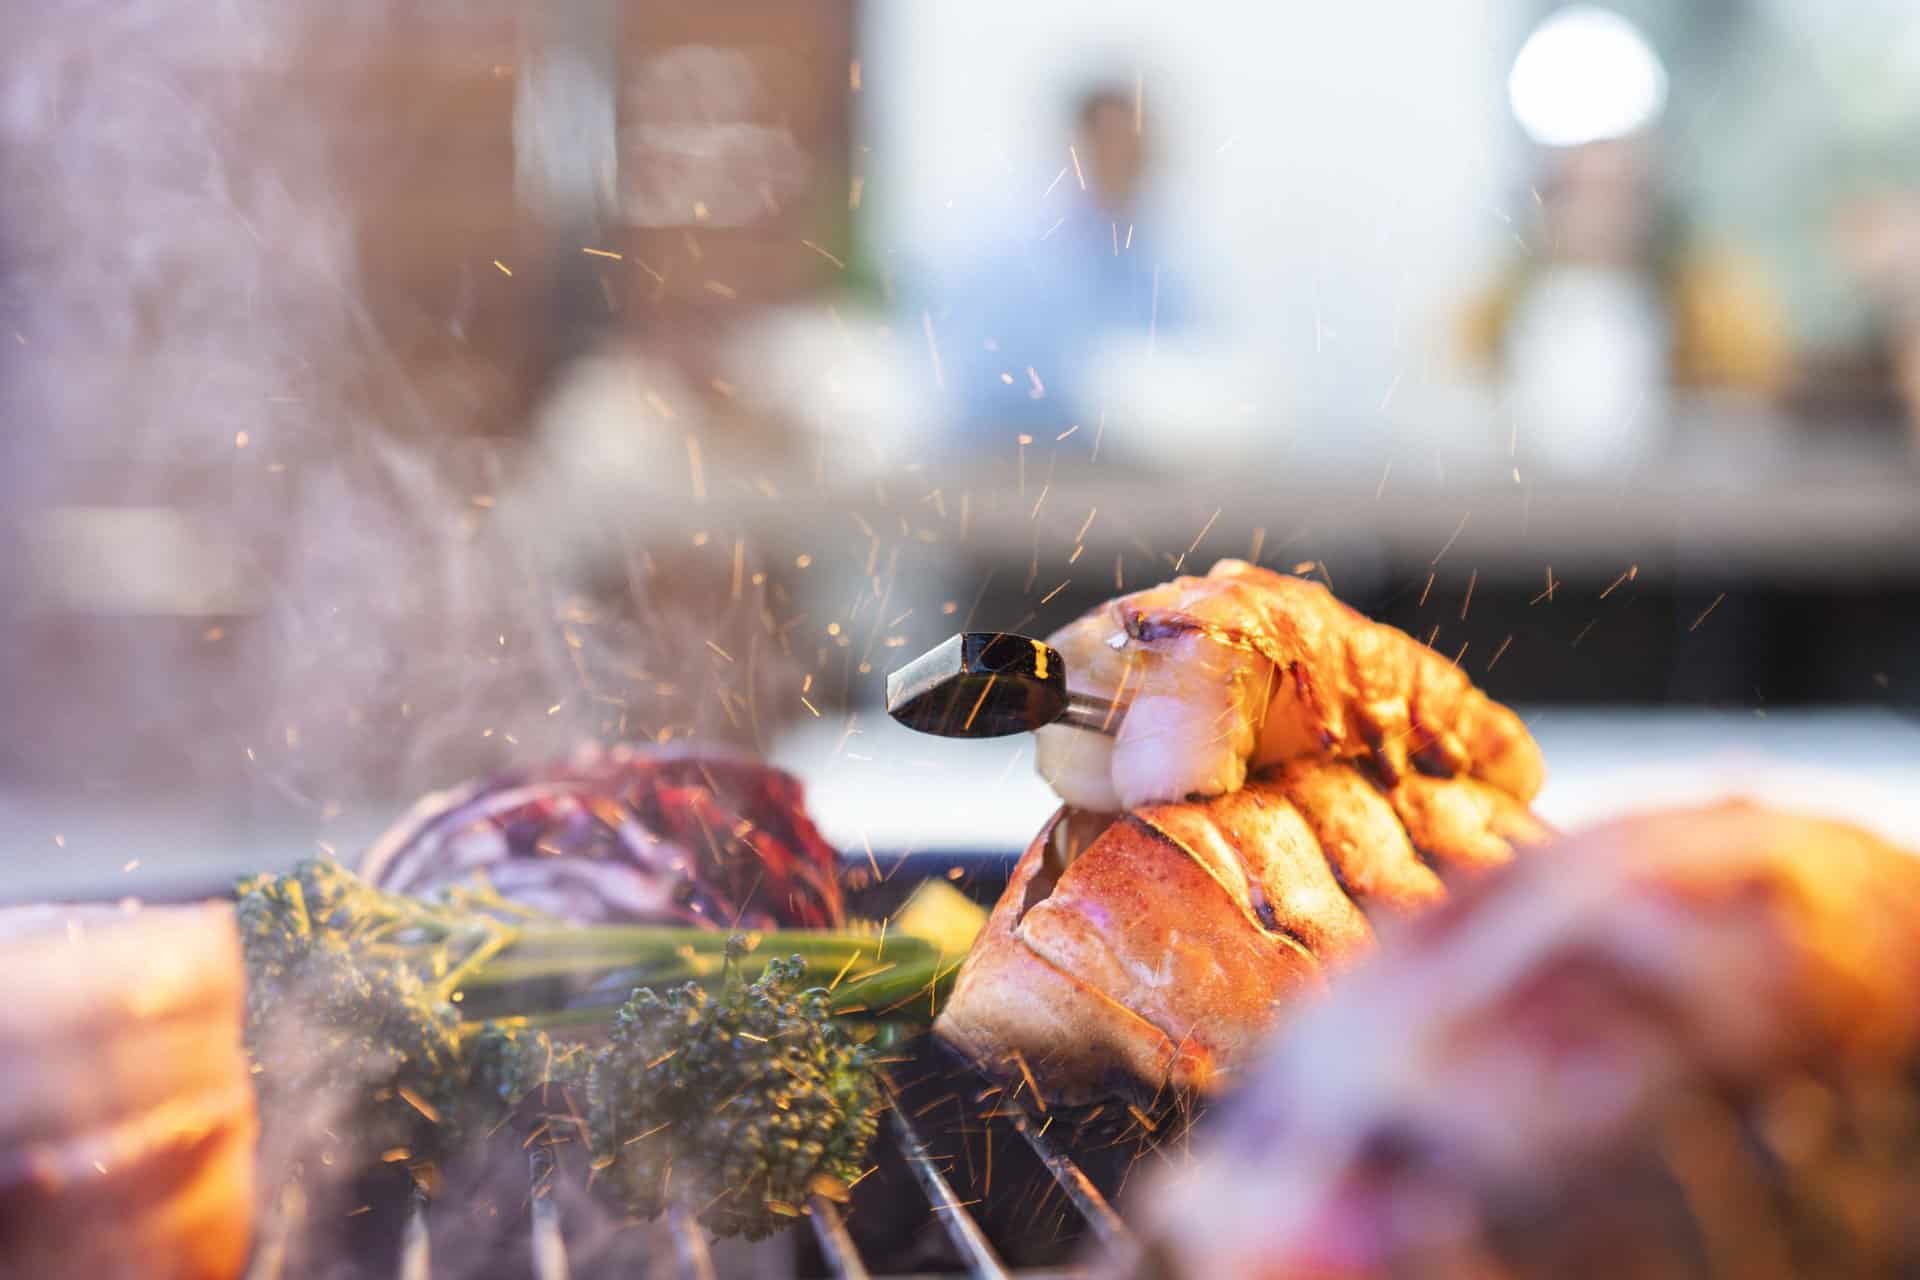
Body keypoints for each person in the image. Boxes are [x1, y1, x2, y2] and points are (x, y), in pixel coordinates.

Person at [1458, 135, 1788, 473]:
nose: (1599, 216)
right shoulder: (1499, 303)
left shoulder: (1705, 301)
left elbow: (1743, 414)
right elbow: (1458, 403)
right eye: (1580, 194)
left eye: (1618, 195)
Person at [932, 82, 1188, 448]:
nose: (1128, 163)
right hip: (1016, 464)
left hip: (1126, 468)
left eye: (1136, 152)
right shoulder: (1015, 260)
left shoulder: (1162, 264)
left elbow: (1189, 371)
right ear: (1082, 149)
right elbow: (979, 388)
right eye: (1115, 147)